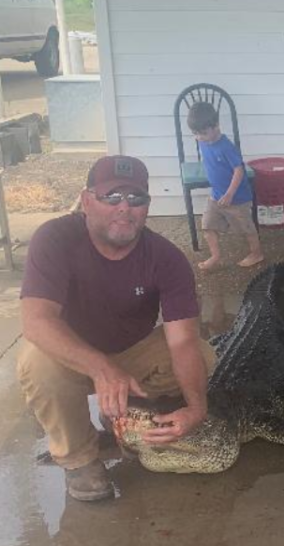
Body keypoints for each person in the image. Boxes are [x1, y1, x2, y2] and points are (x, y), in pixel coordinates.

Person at [17, 155, 215, 501]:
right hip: (71, 356)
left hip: (130, 353)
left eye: (136, 198)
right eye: (112, 197)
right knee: (37, 364)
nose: (125, 208)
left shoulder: (166, 258)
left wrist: (198, 407)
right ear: (87, 199)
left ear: (147, 206)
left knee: (203, 354)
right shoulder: (54, 238)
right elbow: (36, 321)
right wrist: (102, 369)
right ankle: (79, 459)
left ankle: (126, 424)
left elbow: (183, 340)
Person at [187, 101, 264, 270]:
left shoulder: (226, 147)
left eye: (203, 133)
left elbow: (239, 170)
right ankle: (215, 256)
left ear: (216, 126)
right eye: (195, 133)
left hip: (237, 198)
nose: (199, 137)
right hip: (216, 196)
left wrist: (230, 194)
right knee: (207, 225)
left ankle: (257, 253)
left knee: (246, 229)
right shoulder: (203, 141)